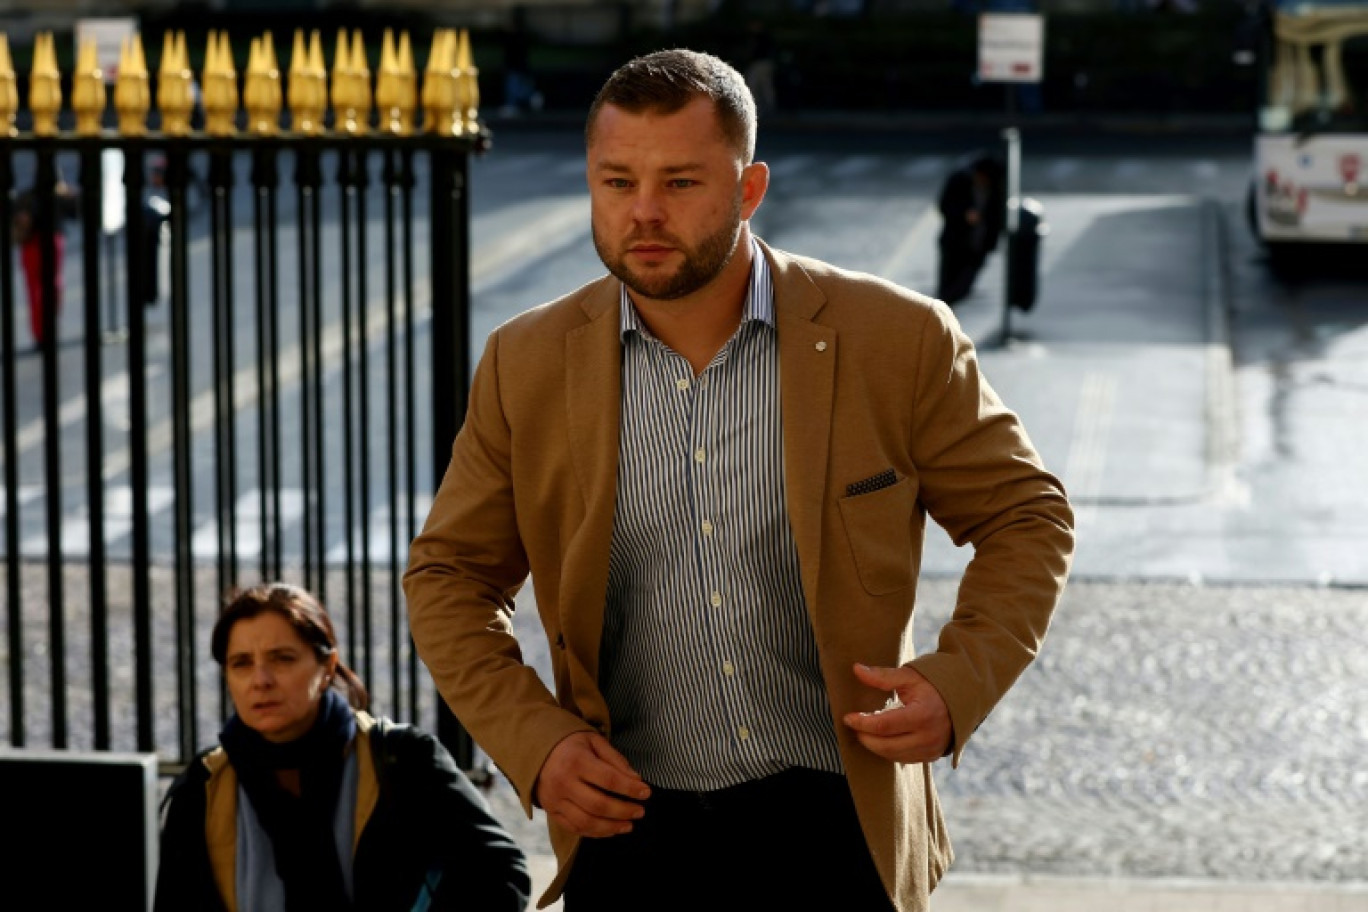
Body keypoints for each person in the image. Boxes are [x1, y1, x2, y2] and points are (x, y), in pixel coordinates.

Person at [404, 49, 1074, 912]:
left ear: (750, 189)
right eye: (616, 182)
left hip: (842, 826)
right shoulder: (523, 363)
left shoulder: (895, 338)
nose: (643, 212)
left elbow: (1026, 513)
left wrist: (960, 678)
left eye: (680, 183)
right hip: (631, 831)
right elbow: (449, 577)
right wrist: (535, 742)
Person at [154, 582, 532, 912]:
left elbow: (501, 874)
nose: (261, 680)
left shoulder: (402, 759)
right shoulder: (203, 789)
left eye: (282, 658)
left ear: (327, 668)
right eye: (241, 664)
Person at [12, 170, 77, 347]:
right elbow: (76, 212)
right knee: (52, 285)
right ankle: (48, 329)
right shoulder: (57, 196)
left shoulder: (27, 196)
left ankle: (41, 332)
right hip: (49, 241)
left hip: (34, 243)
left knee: (36, 289)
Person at [936, 152, 1006, 305]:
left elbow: (998, 216)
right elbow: (945, 206)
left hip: (979, 245)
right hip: (955, 242)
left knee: (963, 287)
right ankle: (942, 320)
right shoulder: (960, 180)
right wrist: (964, 214)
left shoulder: (996, 187)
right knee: (947, 287)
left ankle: (945, 317)